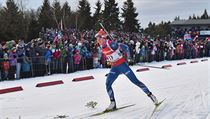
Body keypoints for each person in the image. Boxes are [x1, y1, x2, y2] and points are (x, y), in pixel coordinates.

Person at [95, 29, 159, 111]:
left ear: (103, 38)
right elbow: (111, 56)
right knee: (108, 84)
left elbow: (125, 47)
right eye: (97, 38)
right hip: (114, 67)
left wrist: (129, 58)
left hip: (122, 65)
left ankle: (151, 95)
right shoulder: (101, 46)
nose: (97, 40)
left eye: (99, 38)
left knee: (135, 81)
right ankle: (113, 103)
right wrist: (109, 62)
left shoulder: (110, 44)